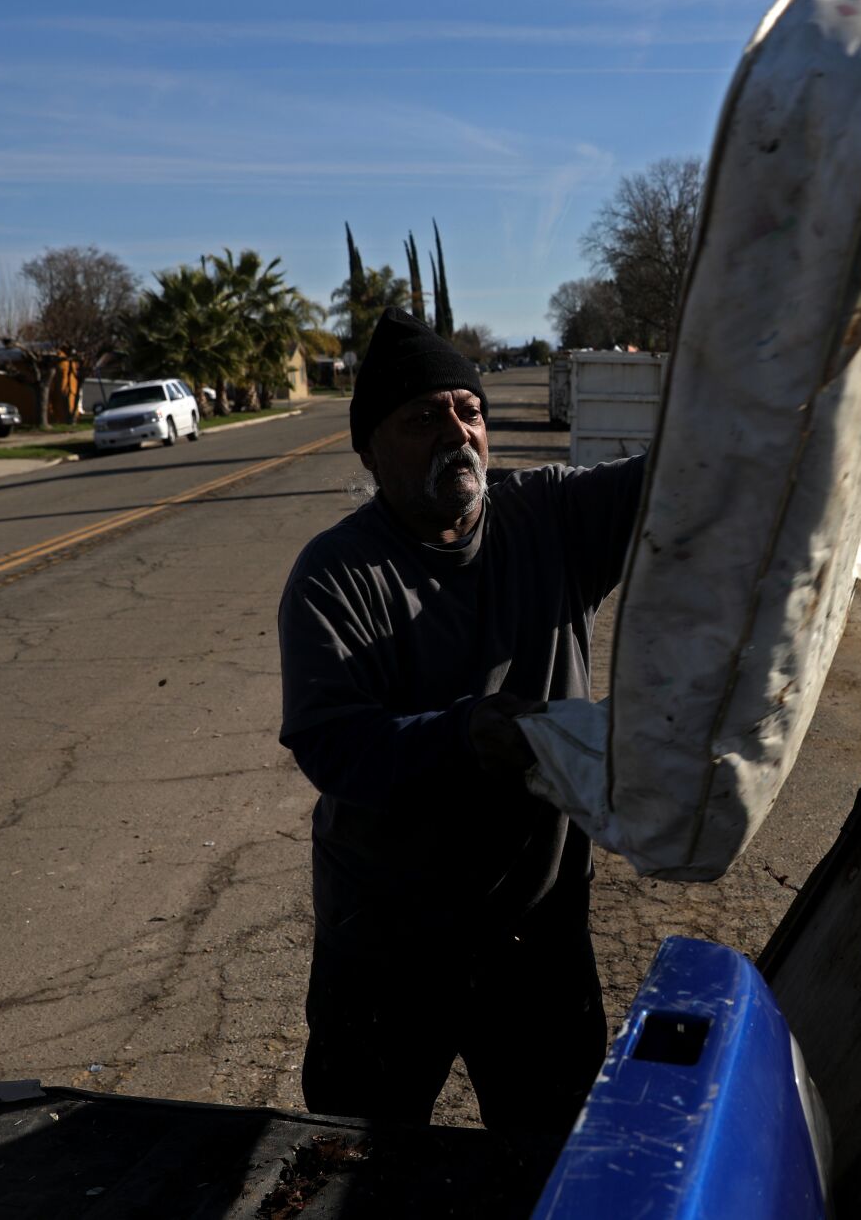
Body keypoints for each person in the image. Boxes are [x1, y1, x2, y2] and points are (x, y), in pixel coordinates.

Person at [276, 307, 645, 1134]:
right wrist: (465, 734)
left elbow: (682, 488)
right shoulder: (335, 576)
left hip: (536, 930)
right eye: (422, 418)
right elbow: (334, 743)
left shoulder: (549, 517)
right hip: (387, 942)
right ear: (369, 451)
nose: (458, 431)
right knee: (350, 1158)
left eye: (468, 411)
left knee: (553, 1157)